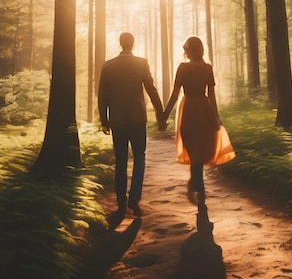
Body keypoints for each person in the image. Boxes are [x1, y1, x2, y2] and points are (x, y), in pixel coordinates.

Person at [161, 36, 235, 217]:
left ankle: (196, 184)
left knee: (196, 151)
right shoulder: (206, 68)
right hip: (203, 108)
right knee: (199, 151)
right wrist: (215, 115)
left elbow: (175, 93)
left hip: (189, 110)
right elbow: (211, 96)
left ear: (188, 49)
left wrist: (164, 115)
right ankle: (198, 188)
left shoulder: (184, 68)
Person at [98, 32, 165, 217]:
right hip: (137, 118)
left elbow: (102, 94)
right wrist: (161, 113)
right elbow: (151, 89)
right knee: (139, 158)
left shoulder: (108, 66)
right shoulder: (141, 63)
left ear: (120, 44)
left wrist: (104, 120)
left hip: (117, 120)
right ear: (132, 44)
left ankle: (120, 202)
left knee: (120, 161)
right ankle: (134, 196)